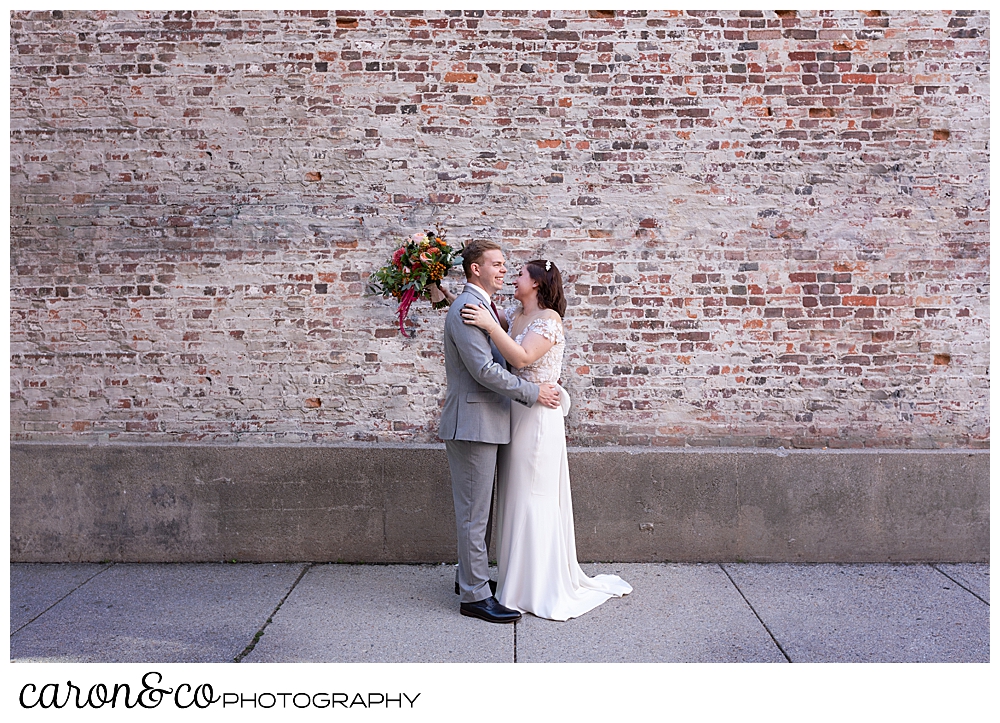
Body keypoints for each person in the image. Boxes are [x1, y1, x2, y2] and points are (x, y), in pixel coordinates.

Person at [460, 259, 632, 621]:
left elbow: (521, 358)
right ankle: (514, 580)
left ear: (537, 283)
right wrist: (436, 290)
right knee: (514, 493)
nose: (513, 277)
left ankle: (536, 585)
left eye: (520, 273)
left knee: (533, 494)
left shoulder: (548, 320)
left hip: (538, 415)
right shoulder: (513, 313)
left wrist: (491, 326)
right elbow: (472, 314)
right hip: (517, 413)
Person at [438, 240, 563, 624]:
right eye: (497, 264)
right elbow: (484, 371)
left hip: (488, 421)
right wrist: (532, 392)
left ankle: (471, 578)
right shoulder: (468, 307)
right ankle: (475, 597)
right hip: (473, 422)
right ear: (476, 269)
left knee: (481, 512)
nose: (504, 271)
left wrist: (436, 292)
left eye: (509, 266)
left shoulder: (486, 307)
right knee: (475, 515)